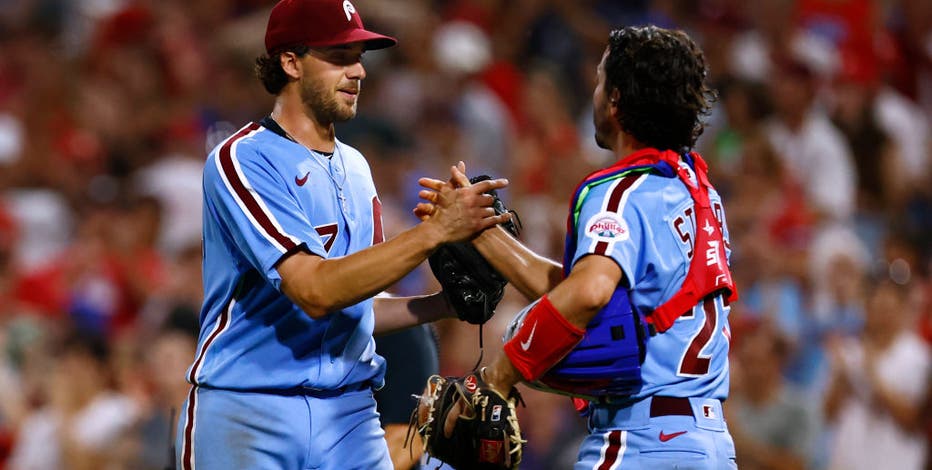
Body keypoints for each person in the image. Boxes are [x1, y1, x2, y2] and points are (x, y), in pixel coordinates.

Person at [173, 0, 511, 469]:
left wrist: (442, 305)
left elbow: (355, 304)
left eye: (359, 57)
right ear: (290, 61)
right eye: (338, 57)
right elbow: (314, 290)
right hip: (249, 410)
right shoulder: (244, 159)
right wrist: (434, 232)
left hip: (348, 414)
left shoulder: (356, 166)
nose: (357, 72)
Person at [418, 25, 737, 469]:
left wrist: (500, 376)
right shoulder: (697, 194)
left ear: (616, 99)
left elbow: (588, 294)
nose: (594, 93)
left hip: (640, 439)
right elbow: (583, 287)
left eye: (600, 80)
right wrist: (481, 233)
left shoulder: (622, 192)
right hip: (707, 441)